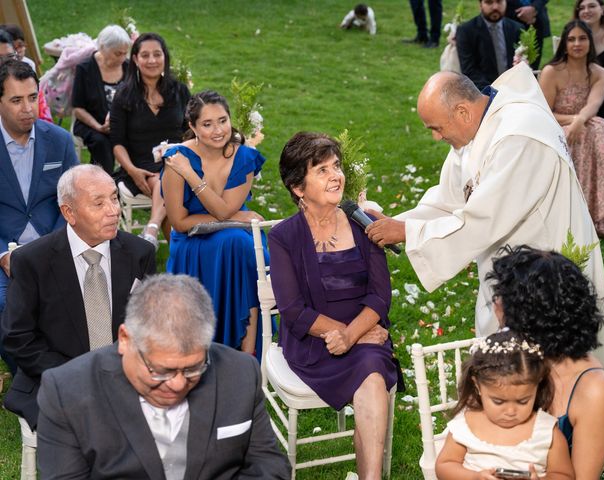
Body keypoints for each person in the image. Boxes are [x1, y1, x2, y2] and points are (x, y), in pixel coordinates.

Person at [363, 64, 604, 463]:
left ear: (463, 112)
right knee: (509, 368)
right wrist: (401, 223)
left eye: (436, 128)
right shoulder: (476, 129)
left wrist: (409, 234)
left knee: (552, 366)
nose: (435, 138)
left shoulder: (520, 134)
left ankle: (559, 456)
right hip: (511, 271)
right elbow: (449, 199)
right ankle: (511, 452)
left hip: (546, 274)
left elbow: (484, 216)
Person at [36, 273, 291, 479]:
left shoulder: (240, 372)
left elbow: (270, 466)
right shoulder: (66, 391)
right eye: (161, 371)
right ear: (125, 339)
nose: (178, 384)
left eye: (193, 368)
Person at [269, 132, 398, 479]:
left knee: (371, 374)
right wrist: (346, 335)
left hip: (365, 334)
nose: (336, 176)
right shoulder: (283, 237)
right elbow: (294, 310)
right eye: (322, 170)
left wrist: (353, 334)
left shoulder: (363, 223)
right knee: (368, 367)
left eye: (336, 167)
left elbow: (379, 296)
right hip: (313, 343)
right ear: (298, 187)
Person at [1, 164, 156, 431]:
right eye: (98, 203)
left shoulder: (139, 253)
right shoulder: (32, 261)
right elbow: (18, 337)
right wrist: (82, 376)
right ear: (69, 212)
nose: (113, 210)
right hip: (57, 378)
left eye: (114, 198)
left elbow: (150, 324)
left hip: (125, 374)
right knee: (97, 428)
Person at [487, 245, 604, 477]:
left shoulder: (591, 388)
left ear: (529, 314)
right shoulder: (509, 355)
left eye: (502, 298)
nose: (496, 305)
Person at [161, 91, 266, 355]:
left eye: (222, 120)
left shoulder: (244, 158)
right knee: (239, 243)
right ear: (192, 127)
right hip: (191, 242)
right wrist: (188, 172)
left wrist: (229, 215)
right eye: (207, 124)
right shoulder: (178, 161)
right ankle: (239, 349)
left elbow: (223, 211)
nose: (218, 130)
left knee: (240, 245)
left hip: (234, 239)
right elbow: (179, 222)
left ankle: (248, 353)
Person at [0, 59, 78, 374]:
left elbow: (75, 200)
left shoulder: (58, 140)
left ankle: (68, 374)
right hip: (5, 254)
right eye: (16, 100)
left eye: (33, 97)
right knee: (6, 308)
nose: (27, 108)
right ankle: (30, 379)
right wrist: (3, 253)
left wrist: (54, 246)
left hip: (56, 247)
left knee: (78, 304)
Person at [436, 330, 574, 479]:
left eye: (523, 401)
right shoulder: (466, 426)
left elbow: (564, 475)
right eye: (498, 401)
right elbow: (444, 467)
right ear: (477, 385)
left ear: (537, 386)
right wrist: (475, 477)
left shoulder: (547, 432)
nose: (510, 411)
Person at [539, 20, 604, 238]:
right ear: (565, 44)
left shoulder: (599, 73)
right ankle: (577, 214)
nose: (577, 43)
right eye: (571, 39)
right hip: (554, 125)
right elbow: (543, 113)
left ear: (590, 42)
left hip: (586, 123)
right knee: (589, 131)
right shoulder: (551, 71)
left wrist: (579, 120)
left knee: (600, 128)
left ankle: (601, 214)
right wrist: (574, 120)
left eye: (582, 38)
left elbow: (594, 106)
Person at [110, 32, 191, 248]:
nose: (152, 60)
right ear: (135, 59)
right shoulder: (124, 96)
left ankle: (152, 230)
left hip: (176, 160)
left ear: (165, 57)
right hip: (138, 166)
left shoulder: (179, 91)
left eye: (157, 54)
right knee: (162, 180)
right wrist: (133, 171)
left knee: (166, 177)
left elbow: (191, 131)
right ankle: (176, 249)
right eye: (145, 55)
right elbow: (117, 143)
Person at [72, 25, 131, 173]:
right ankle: (103, 183)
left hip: (123, 122)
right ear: (103, 47)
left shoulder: (128, 67)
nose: (122, 58)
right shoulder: (85, 68)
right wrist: (99, 127)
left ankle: (127, 183)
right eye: (117, 54)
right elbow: (78, 108)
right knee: (102, 143)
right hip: (92, 123)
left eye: (125, 53)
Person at [456, 0, 523, 90]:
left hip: (515, 89)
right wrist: (492, 92)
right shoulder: (466, 31)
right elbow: (469, 70)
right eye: (489, 2)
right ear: (480, 5)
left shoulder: (517, 28)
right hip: (483, 92)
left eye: (499, 2)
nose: (495, 7)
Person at [506, 0, 550, 71]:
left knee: (531, 70)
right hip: (508, 21)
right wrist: (522, 12)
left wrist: (534, 8)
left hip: (536, 22)